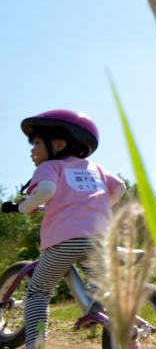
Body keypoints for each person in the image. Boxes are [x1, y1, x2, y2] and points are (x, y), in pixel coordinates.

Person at [2, 110, 126, 348]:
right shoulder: (96, 168)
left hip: (65, 241)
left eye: (36, 142)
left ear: (58, 144)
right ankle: (103, 311)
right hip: (100, 237)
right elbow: (119, 189)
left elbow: (46, 191)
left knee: (38, 291)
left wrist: (25, 207)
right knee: (101, 284)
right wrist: (92, 206)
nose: (31, 149)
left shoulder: (51, 167)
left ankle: (37, 340)